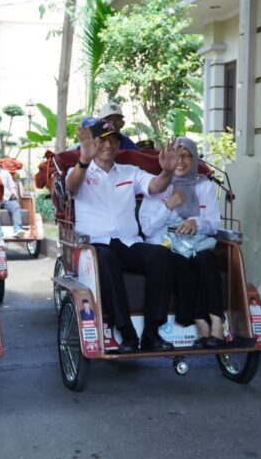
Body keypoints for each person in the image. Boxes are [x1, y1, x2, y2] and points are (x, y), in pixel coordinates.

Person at [66, 120, 179, 352]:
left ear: (119, 145)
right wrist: (83, 160)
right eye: (102, 140)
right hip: (95, 244)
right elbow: (71, 187)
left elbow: (156, 186)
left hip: (128, 242)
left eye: (114, 140)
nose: (108, 145)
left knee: (161, 255)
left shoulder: (130, 172)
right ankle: (127, 333)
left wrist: (167, 171)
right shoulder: (79, 170)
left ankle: (151, 333)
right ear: (93, 143)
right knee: (105, 260)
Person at [139, 137, 224, 348]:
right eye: (176, 155)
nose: (181, 161)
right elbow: (148, 229)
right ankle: (200, 322)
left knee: (206, 261)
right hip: (166, 247)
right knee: (181, 265)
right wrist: (168, 206)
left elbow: (213, 224)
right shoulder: (156, 186)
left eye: (186, 155)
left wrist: (195, 221)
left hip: (197, 242)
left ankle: (216, 323)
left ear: (194, 158)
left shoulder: (203, 185)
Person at [0, 152, 25, 238]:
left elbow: (12, 186)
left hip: (7, 198)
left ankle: (18, 229)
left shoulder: (5, 173)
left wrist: (13, 191)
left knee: (15, 206)